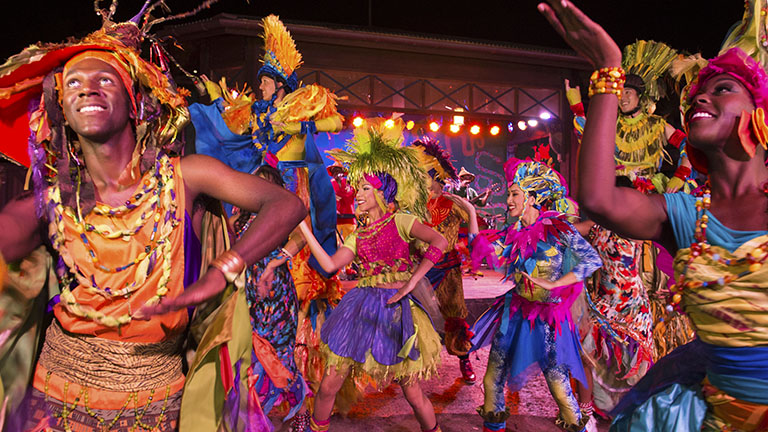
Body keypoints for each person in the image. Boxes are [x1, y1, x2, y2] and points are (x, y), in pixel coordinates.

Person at [0, 8, 306, 431]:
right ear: (61, 112)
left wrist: (223, 271)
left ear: (134, 103)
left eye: (104, 79)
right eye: (73, 82)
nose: (87, 89)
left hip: (157, 408)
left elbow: (287, 205)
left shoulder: (188, 176)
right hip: (52, 408)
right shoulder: (49, 202)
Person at [539, 1, 768, 430]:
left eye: (723, 89)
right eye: (700, 92)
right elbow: (598, 198)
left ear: (761, 113)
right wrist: (609, 71)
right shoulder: (686, 217)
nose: (701, 95)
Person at [189, 15, 346, 423]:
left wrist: (278, 259)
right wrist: (214, 99)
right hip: (258, 226)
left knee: (277, 334)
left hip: (283, 230)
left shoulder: (292, 128)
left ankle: (290, 409)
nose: (259, 85)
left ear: (281, 85)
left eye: (265, 81)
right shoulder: (257, 121)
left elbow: (301, 205)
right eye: (259, 80)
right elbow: (233, 128)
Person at [299, 118, 447, 432]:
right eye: (358, 188)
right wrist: (303, 226)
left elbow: (440, 242)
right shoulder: (358, 236)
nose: (358, 193)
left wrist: (413, 280)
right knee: (329, 384)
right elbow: (328, 265)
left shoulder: (403, 221)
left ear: (381, 192)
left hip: (396, 312)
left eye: (365, 187)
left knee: (411, 389)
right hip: (360, 310)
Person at [471, 158, 602, 432]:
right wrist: (471, 214)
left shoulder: (558, 229)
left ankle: (578, 426)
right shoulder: (514, 231)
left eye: (514, 194)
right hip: (515, 313)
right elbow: (490, 253)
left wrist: (556, 284)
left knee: (559, 386)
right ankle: (493, 427)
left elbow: (591, 260)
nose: (508, 200)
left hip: (548, 320)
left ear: (531, 198)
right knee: (492, 378)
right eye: (508, 193)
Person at [411, 138, 480, 384]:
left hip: (448, 269)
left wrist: (471, 211)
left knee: (455, 315)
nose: (420, 181)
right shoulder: (414, 205)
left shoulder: (453, 203)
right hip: (421, 268)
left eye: (425, 176)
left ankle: (464, 358)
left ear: (436, 176)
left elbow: (475, 234)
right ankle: (416, 365)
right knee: (416, 317)